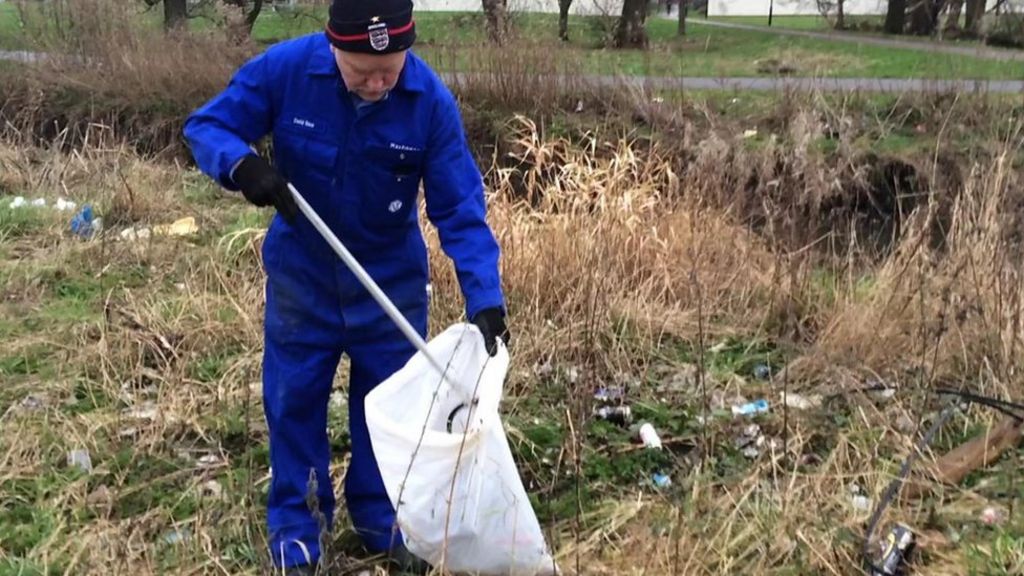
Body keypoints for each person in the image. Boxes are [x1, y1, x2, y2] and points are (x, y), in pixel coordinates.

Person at [182, 0, 510, 573]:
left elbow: (459, 205)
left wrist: (484, 296)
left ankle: (381, 518)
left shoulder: (427, 100)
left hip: (388, 285)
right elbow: (207, 125)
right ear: (334, 48)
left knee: (386, 411)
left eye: (391, 69)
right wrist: (242, 167)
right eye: (362, 72)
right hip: (303, 281)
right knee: (294, 402)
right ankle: (298, 527)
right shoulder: (285, 71)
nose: (380, 83)